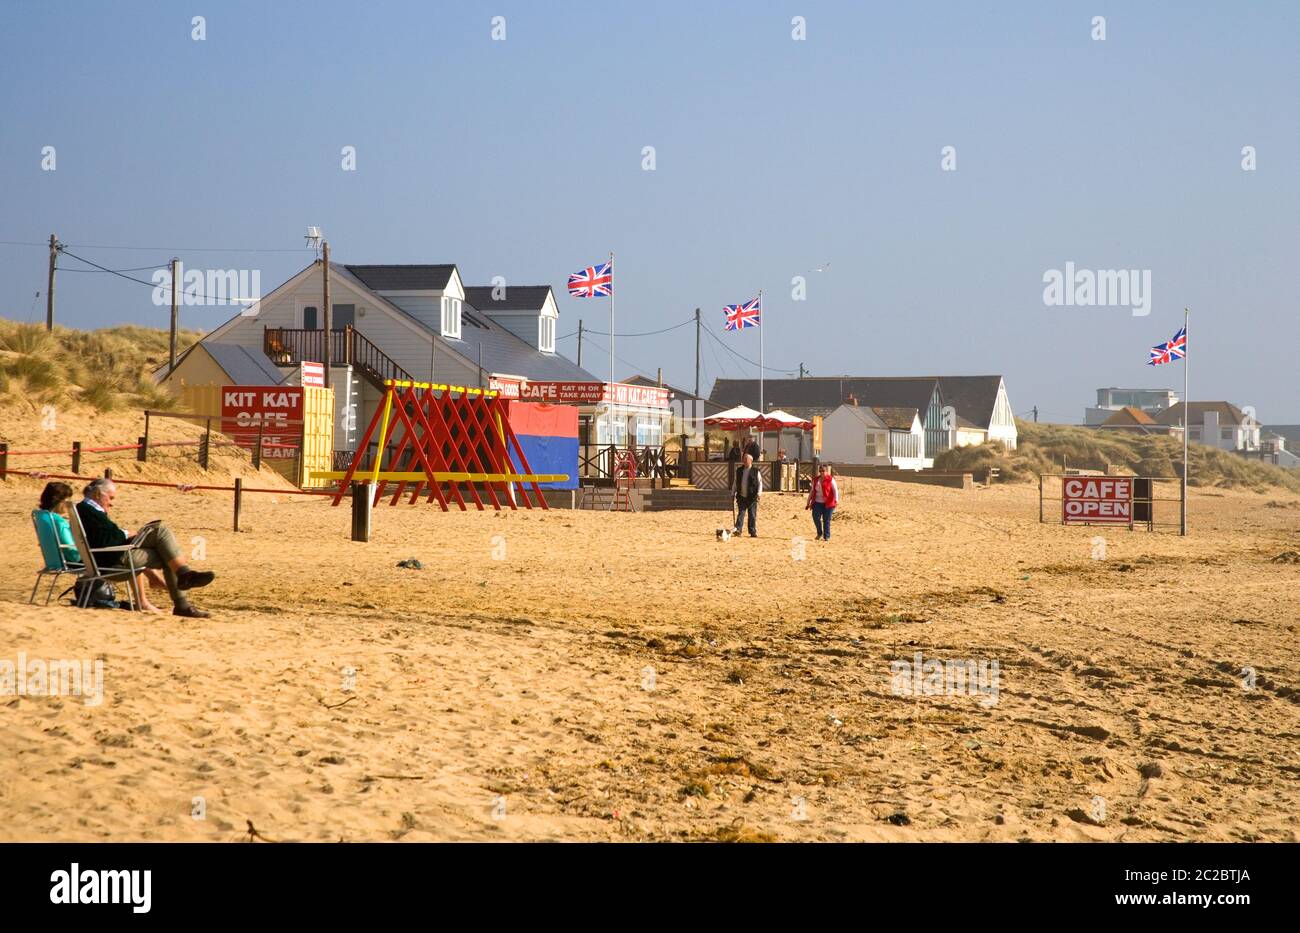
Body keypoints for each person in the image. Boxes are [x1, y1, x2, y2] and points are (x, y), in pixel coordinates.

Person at [75, 478, 214, 618]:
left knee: (163, 543)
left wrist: (124, 533)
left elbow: (103, 535)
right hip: (113, 563)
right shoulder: (89, 511)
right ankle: (183, 584)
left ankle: (182, 584)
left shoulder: (85, 509)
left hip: (105, 560)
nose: (111, 503)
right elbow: (106, 539)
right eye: (110, 498)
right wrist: (125, 533)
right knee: (161, 534)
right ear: (99, 494)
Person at [38, 481, 169, 612]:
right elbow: (73, 553)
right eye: (66, 501)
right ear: (59, 501)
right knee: (128, 552)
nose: (67, 506)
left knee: (128, 552)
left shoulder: (43, 517)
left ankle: (152, 580)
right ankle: (146, 594)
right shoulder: (60, 523)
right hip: (77, 560)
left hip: (54, 560)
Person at [805, 463, 840, 541]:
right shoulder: (816, 480)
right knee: (815, 517)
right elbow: (812, 491)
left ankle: (826, 536)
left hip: (829, 502)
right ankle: (819, 532)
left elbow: (835, 490)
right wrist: (808, 502)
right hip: (817, 502)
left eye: (823, 471)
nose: (821, 472)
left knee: (826, 519)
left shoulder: (830, 479)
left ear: (826, 471)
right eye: (820, 471)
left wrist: (836, 500)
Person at [732, 452, 762, 537]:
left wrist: (759, 494)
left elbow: (760, 483)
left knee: (752, 515)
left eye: (746, 459)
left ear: (751, 461)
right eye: (743, 459)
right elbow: (735, 482)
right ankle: (738, 530)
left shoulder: (756, 471)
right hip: (741, 496)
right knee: (741, 513)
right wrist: (732, 493)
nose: (744, 461)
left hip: (752, 497)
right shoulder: (739, 470)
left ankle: (752, 531)